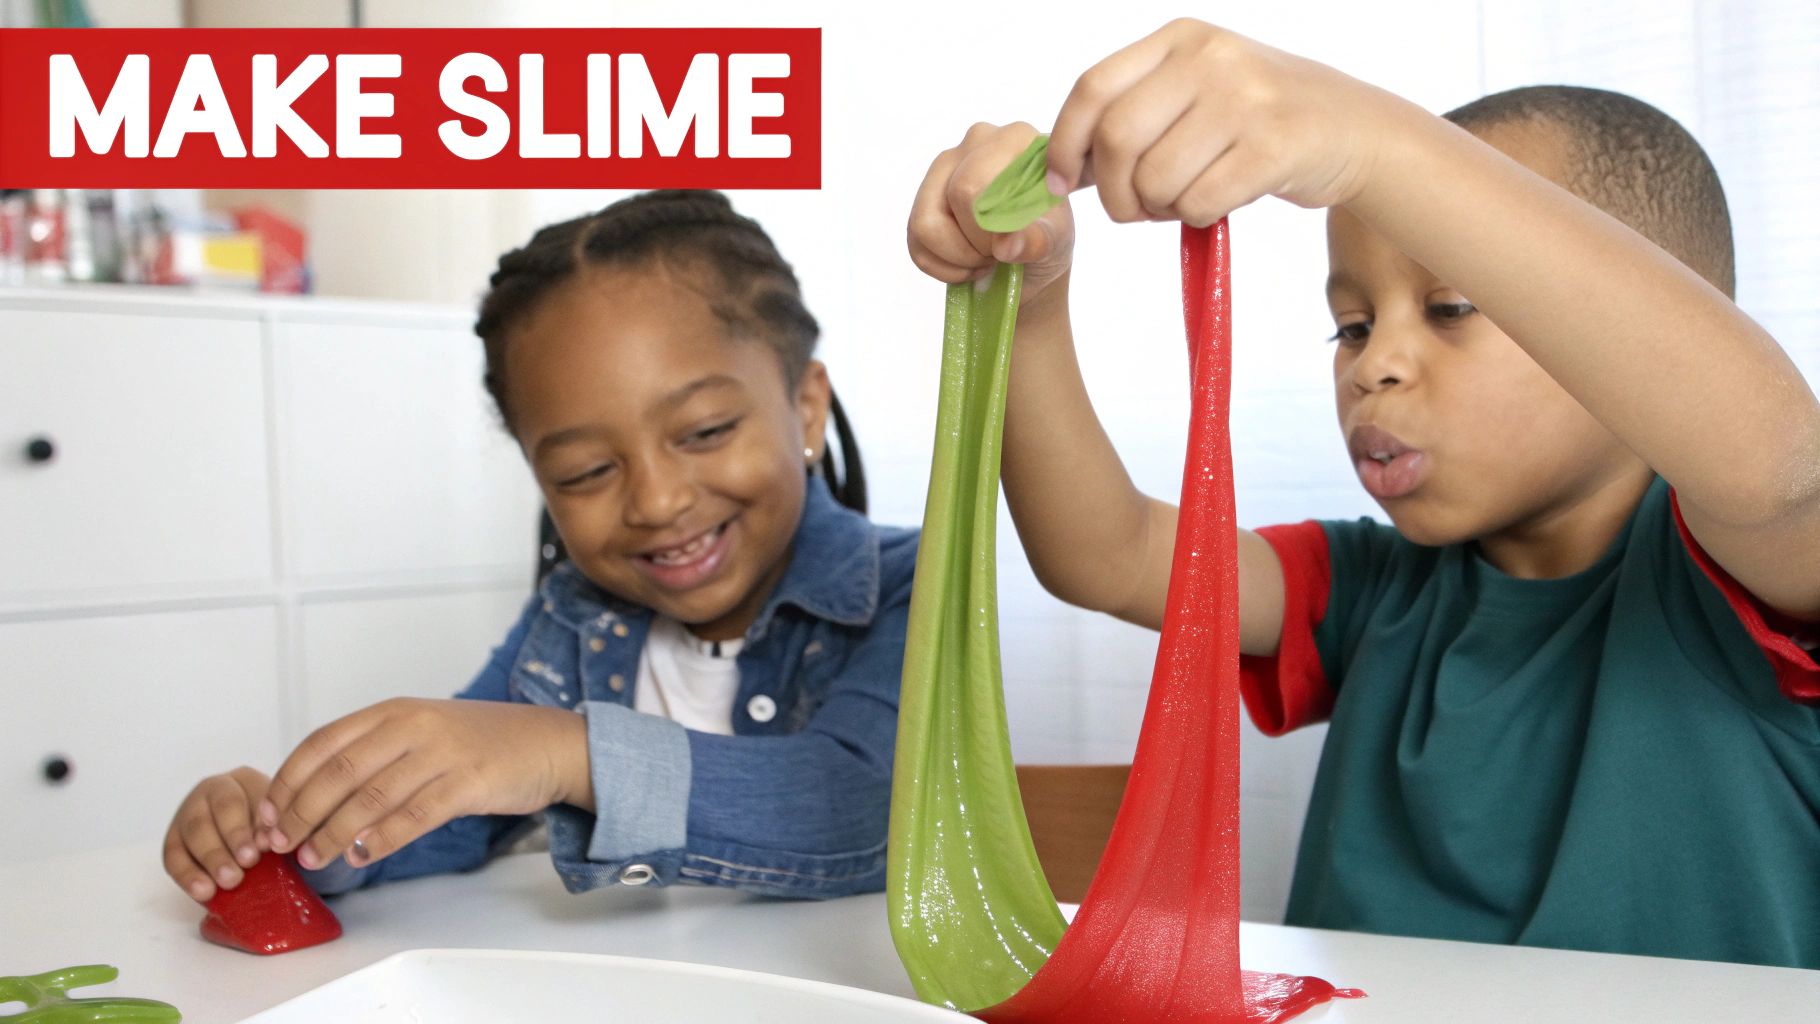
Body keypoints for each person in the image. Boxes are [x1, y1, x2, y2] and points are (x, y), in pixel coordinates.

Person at [907, 19, 1820, 967]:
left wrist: (1367, 141)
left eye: (1451, 307)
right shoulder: (1373, 588)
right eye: (1351, 326)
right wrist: (1034, 299)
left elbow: (1781, 472)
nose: (1373, 364)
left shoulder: (1741, 579)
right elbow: (1105, 555)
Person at [165, 189, 916, 903]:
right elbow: (446, 814)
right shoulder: (570, 623)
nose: (657, 502)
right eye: (585, 471)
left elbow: (863, 807)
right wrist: (292, 835)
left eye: (706, 432)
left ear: (806, 408)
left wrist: (566, 753)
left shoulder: (918, 588)